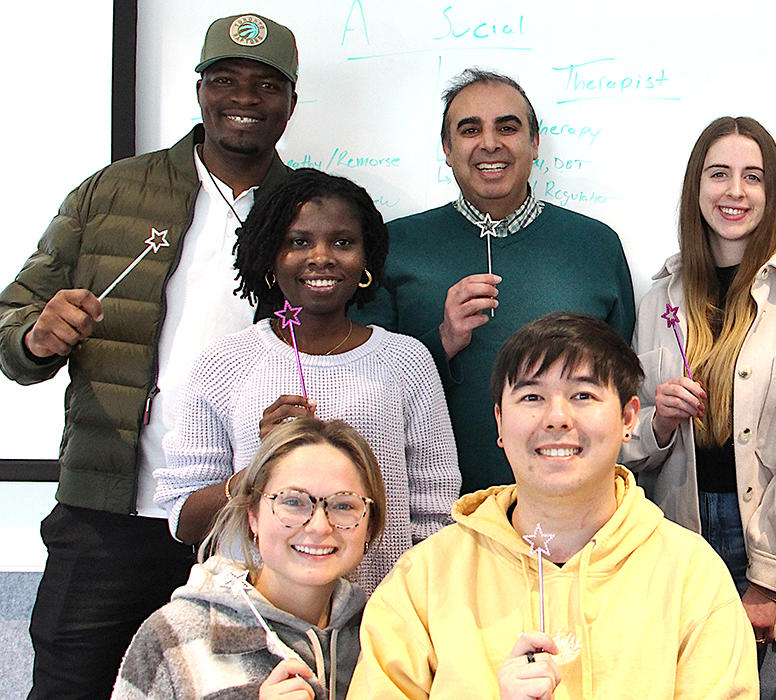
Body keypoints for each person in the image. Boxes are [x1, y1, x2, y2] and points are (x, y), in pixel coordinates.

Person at [0, 13, 299, 696]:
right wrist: (34, 337)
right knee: (72, 684)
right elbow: (11, 320)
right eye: (225, 80)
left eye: (265, 84)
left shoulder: (310, 209)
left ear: (290, 101)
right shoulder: (112, 193)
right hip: (112, 512)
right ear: (199, 90)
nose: (244, 99)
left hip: (249, 524)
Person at [349, 312, 756, 698]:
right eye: (531, 397)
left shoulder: (692, 576)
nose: (557, 418)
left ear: (629, 418)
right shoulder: (423, 578)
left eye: (583, 395)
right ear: (499, 422)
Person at [622, 116, 776, 697]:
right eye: (719, 174)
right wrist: (658, 423)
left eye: (753, 177)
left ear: (773, 191)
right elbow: (626, 443)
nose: (735, 192)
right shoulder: (659, 299)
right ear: (695, 187)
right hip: (674, 535)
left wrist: (769, 579)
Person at [154, 168, 460, 593]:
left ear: (367, 259)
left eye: (343, 242)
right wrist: (260, 468)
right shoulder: (223, 363)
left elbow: (436, 513)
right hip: (257, 621)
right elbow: (184, 522)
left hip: (377, 625)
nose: (321, 257)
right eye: (298, 242)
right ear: (270, 257)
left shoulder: (406, 360)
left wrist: (411, 617)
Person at [353, 68, 635, 493]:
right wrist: (442, 340)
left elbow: (620, 381)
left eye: (507, 127)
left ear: (534, 143)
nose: (490, 143)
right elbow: (362, 387)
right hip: (430, 509)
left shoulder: (595, 245)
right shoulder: (393, 246)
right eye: (470, 130)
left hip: (571, 505)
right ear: (447, 150)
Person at [114, 417, 382, 699]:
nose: (318, 526)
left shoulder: (384, 635)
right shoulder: (175, 636)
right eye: (292, 501)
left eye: (343, 505)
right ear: (252, 516)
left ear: (370, 525)